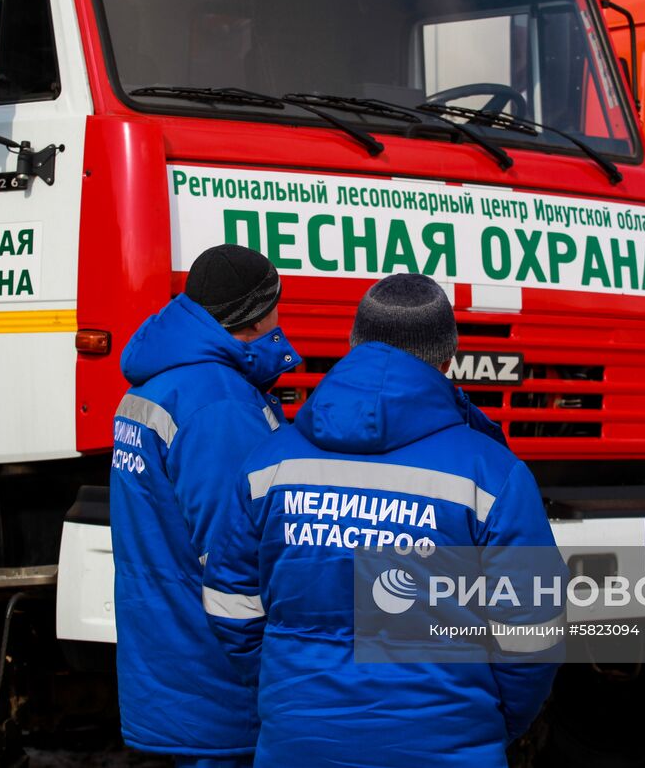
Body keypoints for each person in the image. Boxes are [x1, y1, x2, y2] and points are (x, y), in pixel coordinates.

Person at [202, 273, 563, 768]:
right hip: (449, 746)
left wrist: (290, 696)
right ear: (447, 360)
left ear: (354, 344)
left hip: (298, 742)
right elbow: (533, 632)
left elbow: (231, 607)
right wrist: (492, 719)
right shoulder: (492, 474)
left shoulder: (271, 464)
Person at [111, 244, 301, 768]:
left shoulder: (164, 379)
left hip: (175, 654)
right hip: (219, 680)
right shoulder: (216, 403)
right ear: (259, 313)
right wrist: (280, 674)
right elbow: (235, 554)